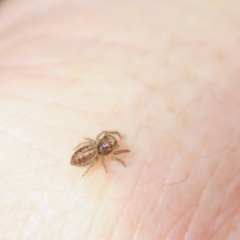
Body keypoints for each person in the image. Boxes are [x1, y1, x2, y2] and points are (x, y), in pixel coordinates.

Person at [0, 0, 239, 239]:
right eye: (109, 143)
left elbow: (105, 143)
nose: (111, 144)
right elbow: (101, 147)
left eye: (110, 144)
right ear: (100, 145)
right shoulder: (99, 151)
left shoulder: (100, 148)